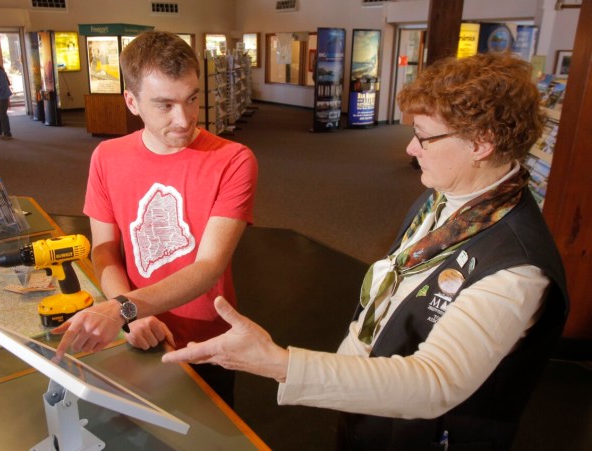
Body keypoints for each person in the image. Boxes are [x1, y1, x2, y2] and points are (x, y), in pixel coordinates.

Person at [163, 53, 568, 450]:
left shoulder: (516, 268)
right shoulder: (447, 197)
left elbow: (434, 383)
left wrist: (280, 364)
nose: (411, 148)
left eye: (424, 136)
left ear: (482, 143)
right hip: (373, 407)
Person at [53, 31, 258, 406]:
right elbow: (104, 250)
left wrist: (122, 308)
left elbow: (210, 266)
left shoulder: (233, 159)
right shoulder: (106, 157)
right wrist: (130, 315)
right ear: (131, 101)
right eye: (165, 105)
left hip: (205, 340)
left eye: (192, 99)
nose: (184, 119)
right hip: (135, 330)